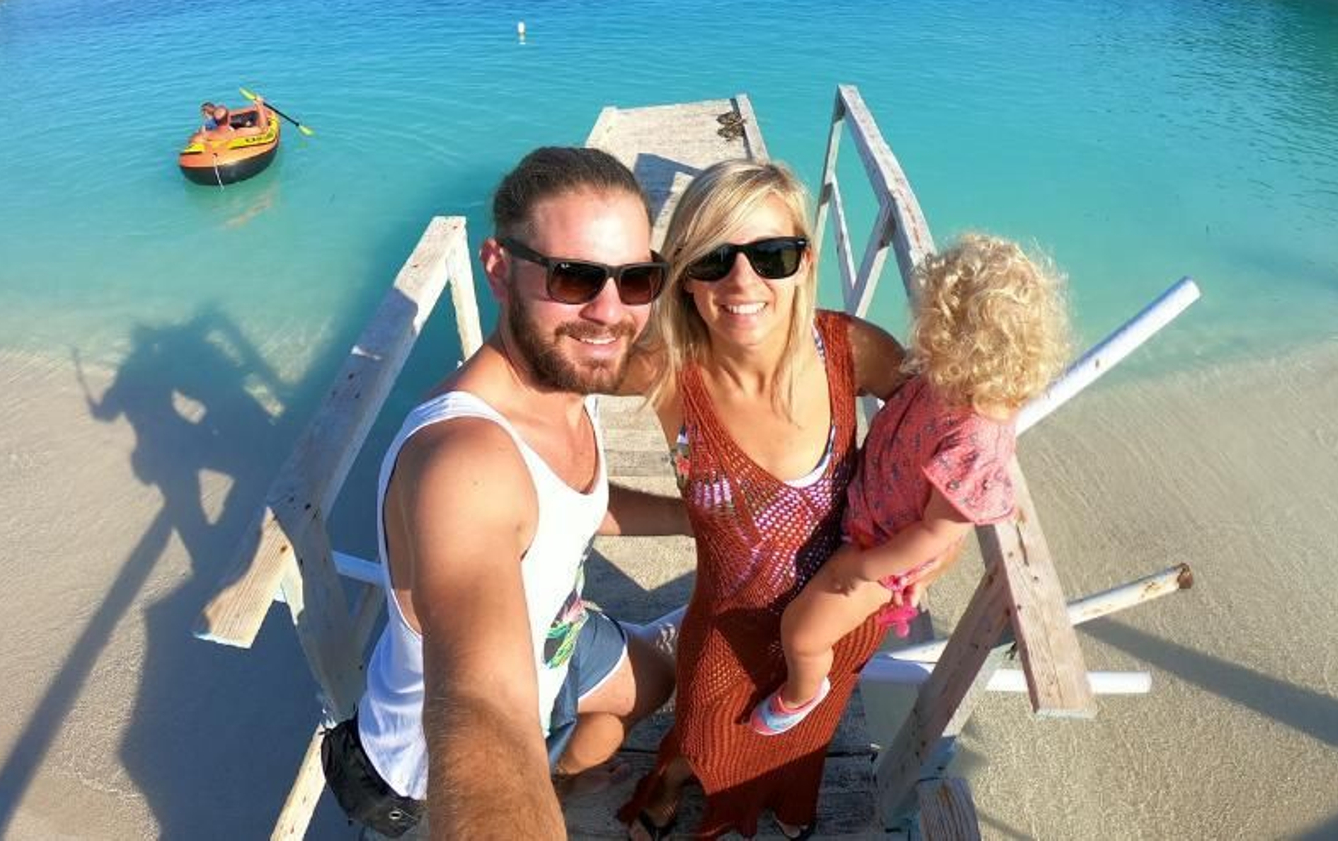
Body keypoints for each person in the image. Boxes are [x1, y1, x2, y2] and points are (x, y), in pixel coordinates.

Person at [324, 147, 688, 840]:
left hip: (556, 631)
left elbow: (565, 508)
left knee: (659, 680)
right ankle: (547, 775)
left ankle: (565, 772)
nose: (610, 313)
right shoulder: (466, 463)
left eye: (637, 278)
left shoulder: (567, 372)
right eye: (574, 276)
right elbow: (483, 705)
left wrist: (690, 516)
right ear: (498, 267)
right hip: (436, 778)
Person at [619, 159, 907, 840]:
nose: (742, 281)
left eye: (771, 254)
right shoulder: (667, 373)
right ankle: (671, 783)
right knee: (700, 732)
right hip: (727, 621)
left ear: (805, 263)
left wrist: (933, 539)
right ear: (682, 274)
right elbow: (551, 364)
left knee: (801, 739)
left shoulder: (851, 351)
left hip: (837, 620)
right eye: (714, 258)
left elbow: (939, 424)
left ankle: (781, 802)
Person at [753, 233, 1070, 738]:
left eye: (932, 319)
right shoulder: (954, 380)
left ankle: (801, 692)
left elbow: (936, 534)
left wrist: (862, 567)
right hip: (874, 507)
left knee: (803, 631)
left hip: (884, 549)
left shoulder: (976, 436)